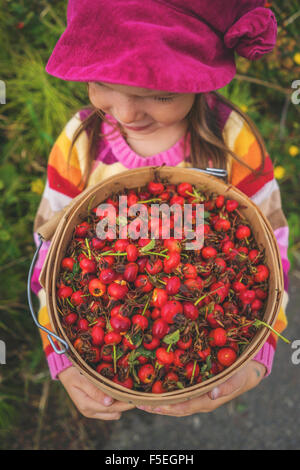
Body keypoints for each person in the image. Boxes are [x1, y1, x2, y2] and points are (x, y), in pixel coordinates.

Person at [30, 0, 290, 419]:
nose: (127, 112)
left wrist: (258, 358)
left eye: (159, 93)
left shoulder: (234, 142)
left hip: (197, 353)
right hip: (118, 354)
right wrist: (61, 356)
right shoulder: (78, 145)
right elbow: (49, 252)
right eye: (102, 82)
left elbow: (270, 246)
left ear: (199, 79)